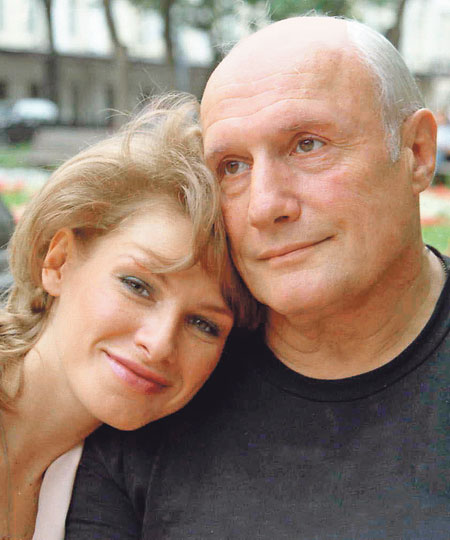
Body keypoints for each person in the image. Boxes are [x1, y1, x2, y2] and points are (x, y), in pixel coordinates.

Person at [66, 16, 449, 539]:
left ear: (417, 153)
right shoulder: (156, 381)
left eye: (308, 145)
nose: (265, 206)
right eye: (232, 166)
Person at [0, 94, 256, 539]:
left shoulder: (106, 478)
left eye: (204, 324)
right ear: (57, 262)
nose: (158, 344)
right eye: (137, 286)